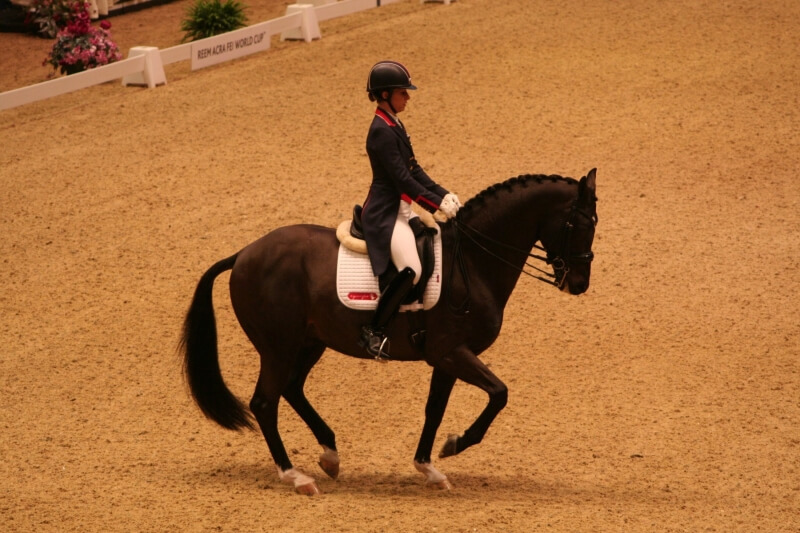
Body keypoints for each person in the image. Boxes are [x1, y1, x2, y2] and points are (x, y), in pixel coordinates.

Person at [358, 60, 462, 358]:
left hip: (401, 209)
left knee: (435, 243)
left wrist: (444, 193)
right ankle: (373, 331)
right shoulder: (381, 130)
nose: (408, 97)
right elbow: (401, 180)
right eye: (403, 92)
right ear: (386, 94)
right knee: (412, 270)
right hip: (385, 213)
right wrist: (434, 204)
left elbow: (414, 170)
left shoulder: (395, 124)